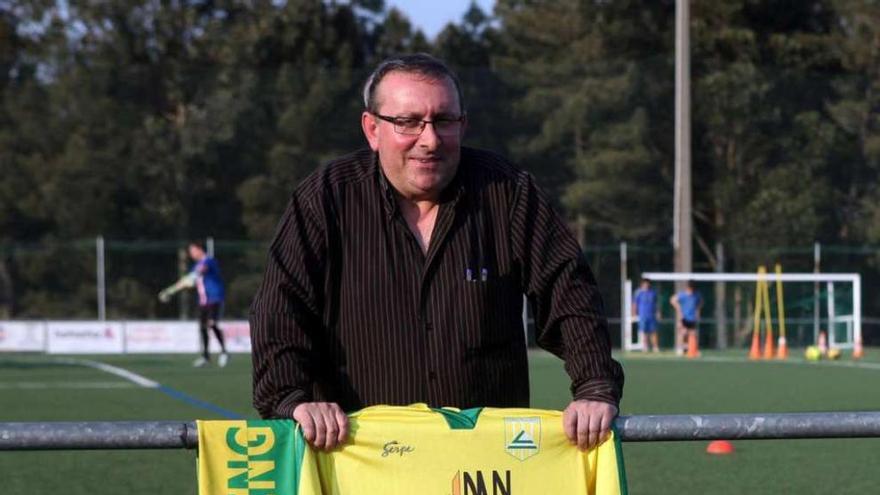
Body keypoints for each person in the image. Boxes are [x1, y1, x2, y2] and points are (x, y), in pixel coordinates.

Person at [250, 53, 624, 453]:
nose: (429, 140)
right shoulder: (325, 198)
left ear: (463, 125)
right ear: (372, 129)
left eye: (444, 121)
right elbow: (280, 310)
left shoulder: (508, 192)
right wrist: (292, 399)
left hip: (485, 461)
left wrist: (594, 386)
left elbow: (568, 290)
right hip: (360, 461)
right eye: (408, 122)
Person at [159, 242, 229, 367]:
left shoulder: (209, 261)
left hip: (215, 298)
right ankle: (206, 357)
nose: (191, 254)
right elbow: (188, 281)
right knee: (202, 327)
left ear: (199, 249)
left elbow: (199, 272)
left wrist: (190, 278)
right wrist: (170, 291)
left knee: (212, 323)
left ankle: (224, 352)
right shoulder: (196, 266)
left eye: (193, 251)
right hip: (203, 301)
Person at [670, 280, 702, 356]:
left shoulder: (696, 295)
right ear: (688, 287)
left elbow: (700, 302)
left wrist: (697, 310)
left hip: (692, 317)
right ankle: (680, 348)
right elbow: (672, 300)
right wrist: (678, 309)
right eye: (690, 288)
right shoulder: (682, 295)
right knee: (683, 333)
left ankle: (692, 349)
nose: (691, 290)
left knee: (693, 334)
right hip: (684, 317)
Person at [632, 278, 660, 352]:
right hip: (643, 315)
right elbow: (635, 304)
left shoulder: (653, 293)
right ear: (642, 284)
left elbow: (656, 304)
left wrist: (658, 312)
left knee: (653, 331)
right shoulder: (639, 293)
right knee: (644, 332)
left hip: (651, 315)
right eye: (645, 283)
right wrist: (634, 313)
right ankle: (645, 347)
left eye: (648, 283)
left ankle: (655, 347)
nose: (646, 285)